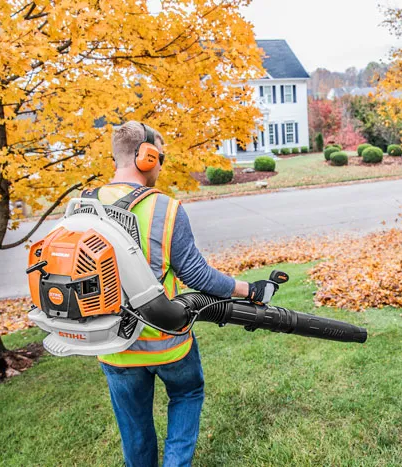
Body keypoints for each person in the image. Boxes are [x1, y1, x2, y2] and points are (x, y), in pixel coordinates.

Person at [92, 121, 277, 467]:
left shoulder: (87, 205)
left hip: (113, 347)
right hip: (167, 340)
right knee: (187, 393)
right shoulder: (163, 208)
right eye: (159, 156)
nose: (160, 164)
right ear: (146, 156)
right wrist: (247, 289)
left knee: (133, 427)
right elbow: (196, 275)